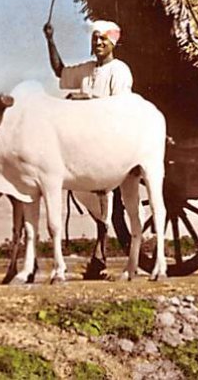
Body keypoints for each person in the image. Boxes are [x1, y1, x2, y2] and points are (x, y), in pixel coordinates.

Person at [43, 19, 133, 279]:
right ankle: (98, 258)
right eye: (95, 39)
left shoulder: (120, 71)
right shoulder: (86, 70)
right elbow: (60, 71)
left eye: (103, 39)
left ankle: (100, 258)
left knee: (106, 202)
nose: (98, 43)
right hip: (84, 145)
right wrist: (50, 40)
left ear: (112, 42)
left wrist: (87, 99)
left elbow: (120, 109)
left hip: (109, 142)